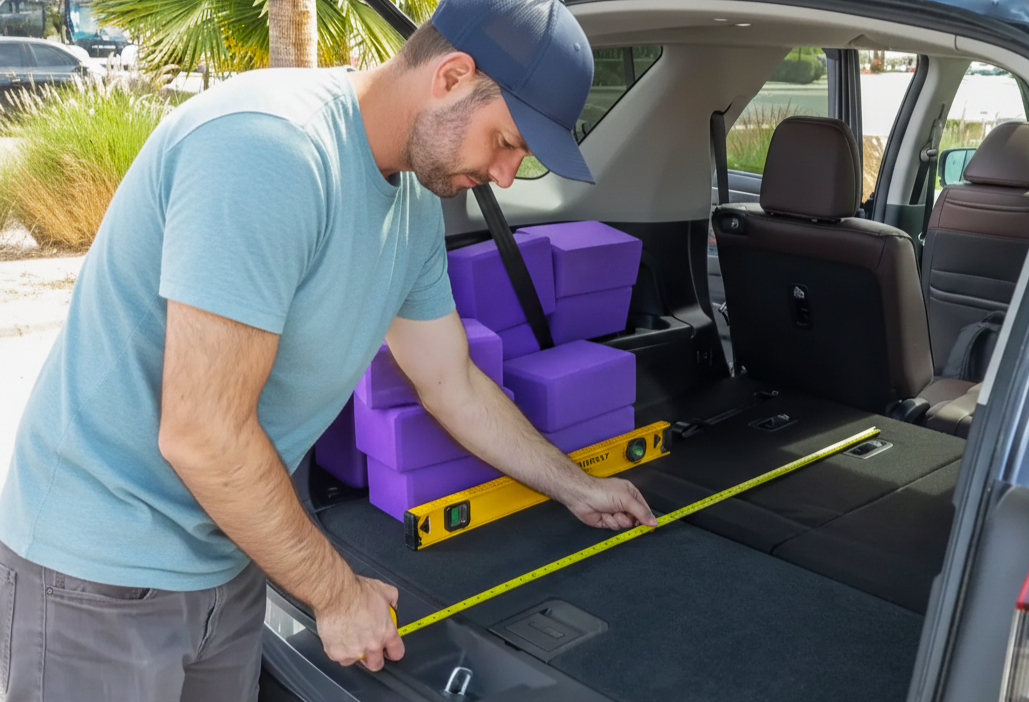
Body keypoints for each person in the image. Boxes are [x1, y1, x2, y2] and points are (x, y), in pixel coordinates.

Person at [0, 0, 657, 699]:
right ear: (452, 77)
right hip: (99, 575)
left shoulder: (411, 205)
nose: (503, 175)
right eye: (506, 142)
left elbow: (452, 382)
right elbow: (204, 434)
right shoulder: (270, 148)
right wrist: (336, 593)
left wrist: (578, 485)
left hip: (233, 551)